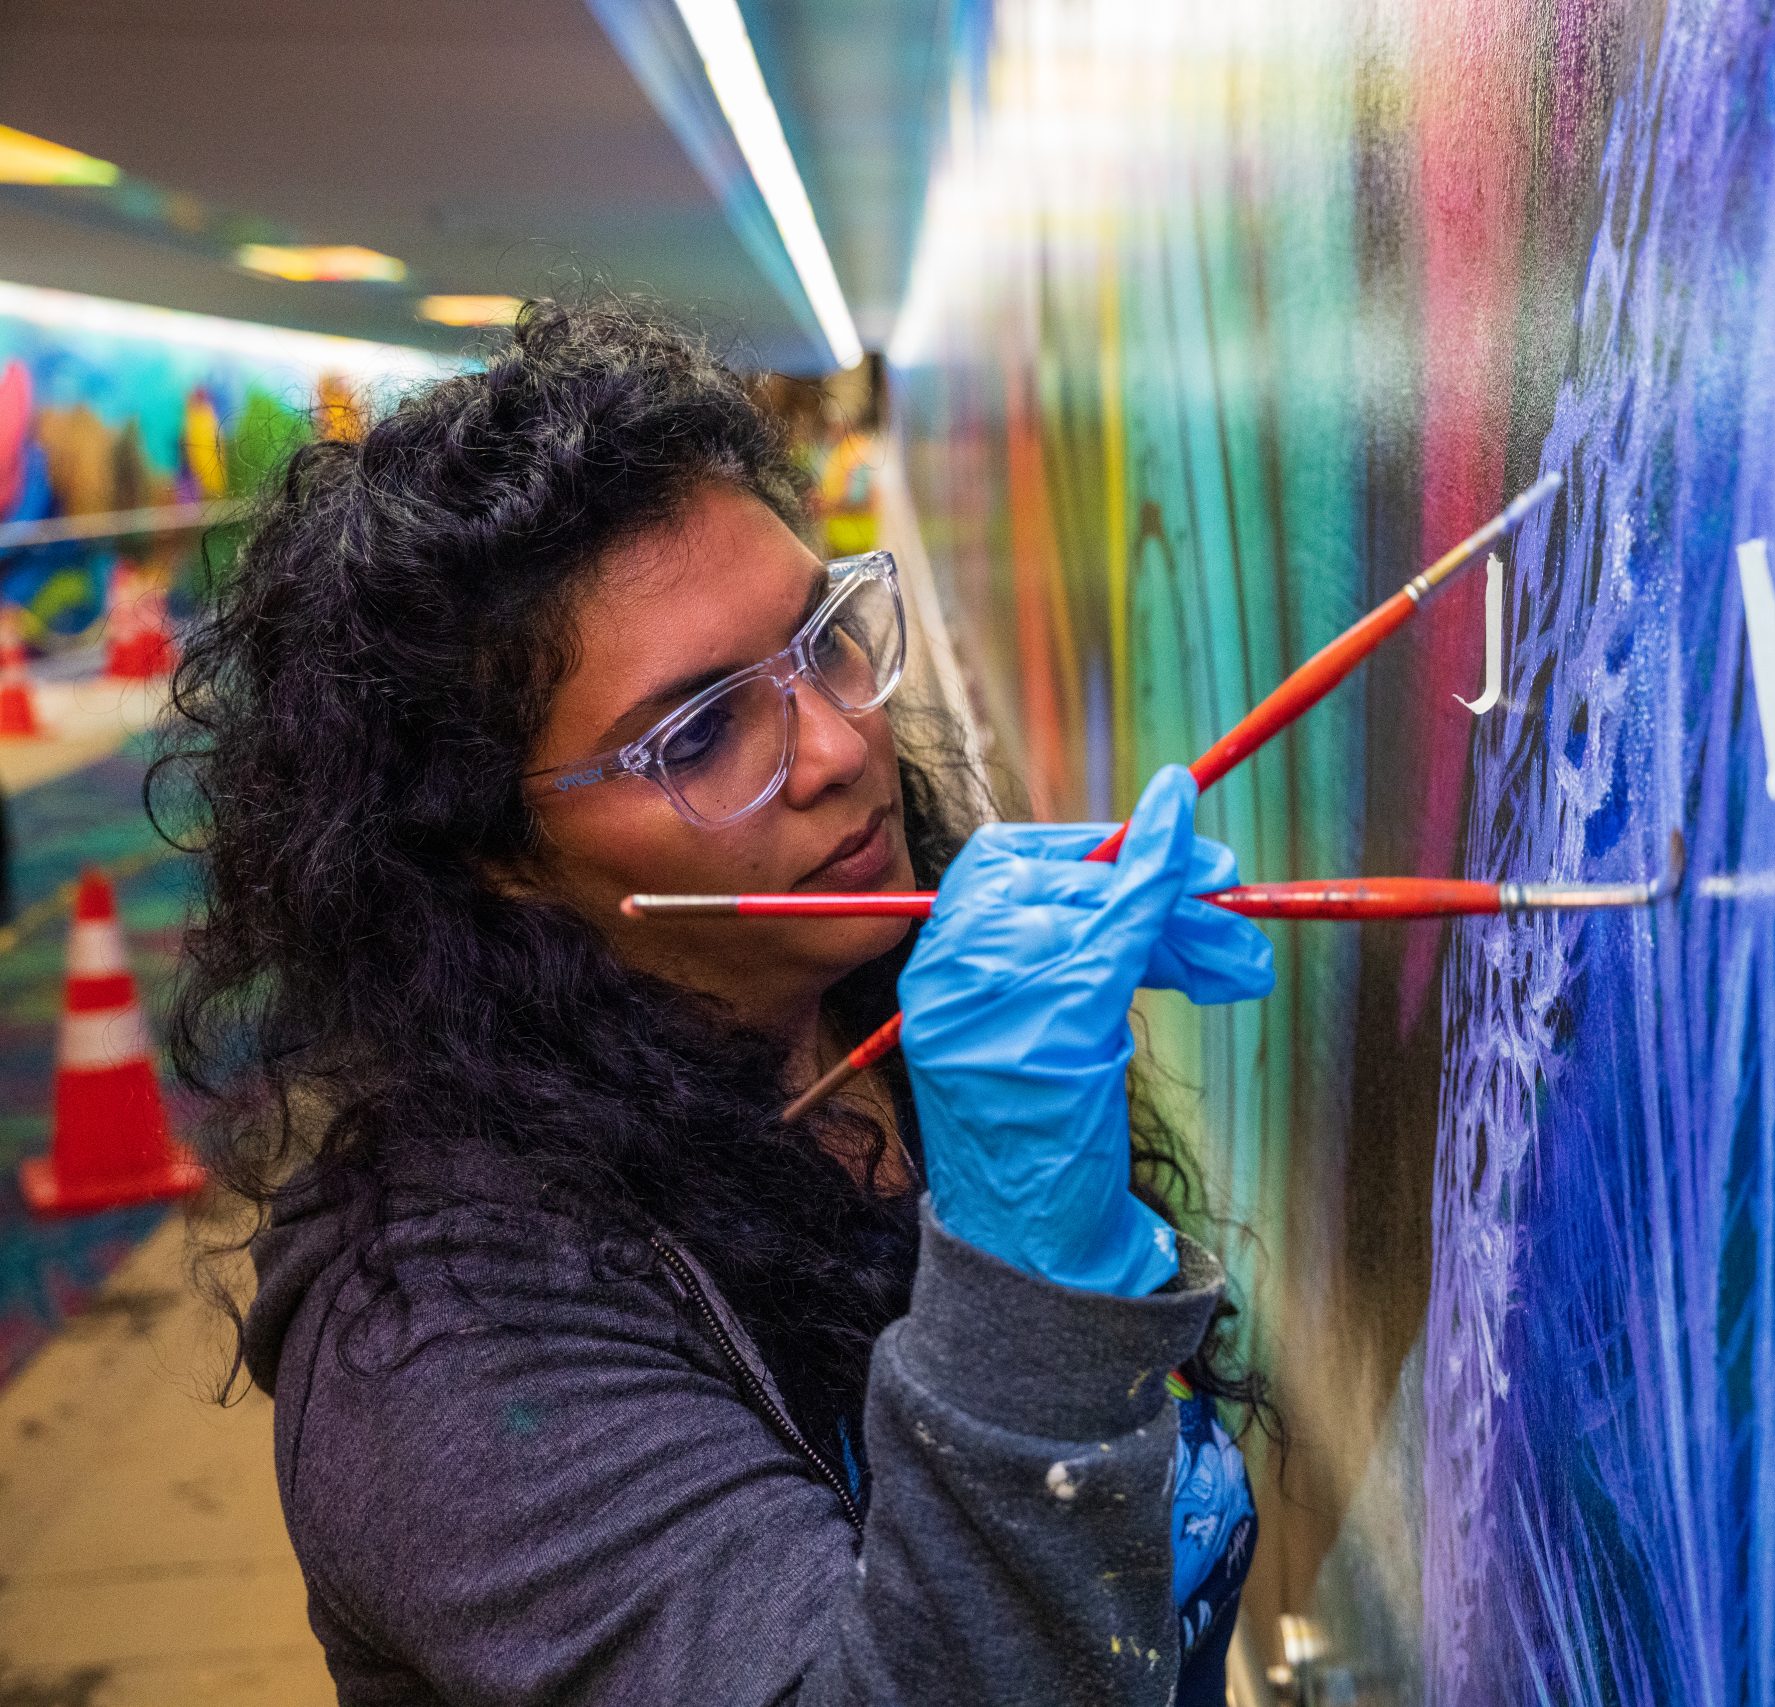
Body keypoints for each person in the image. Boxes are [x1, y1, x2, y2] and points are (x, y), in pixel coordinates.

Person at [162, 299, 1273, 1706]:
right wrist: (1026, 1261)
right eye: (699, 730)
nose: (834, 743)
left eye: (822, 638)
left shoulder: (863, 1008)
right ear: (494, 861)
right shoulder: (440, 1356)